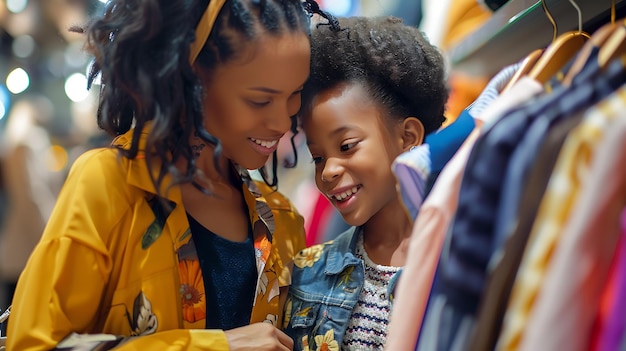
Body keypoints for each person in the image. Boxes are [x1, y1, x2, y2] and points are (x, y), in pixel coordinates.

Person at [6, 0, 325, 350]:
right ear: (192, 80)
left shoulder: (284, 221)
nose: (282, 123)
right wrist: (216, 347)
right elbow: (33, 344)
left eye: (294, 95)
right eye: (260, 101)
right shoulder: (110, 184)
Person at [282, 15, 448, 351]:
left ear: (408, 137)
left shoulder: (456, 256)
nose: (327, 171)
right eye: (317, 157)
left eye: (346, 146)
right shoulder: (306, 272)